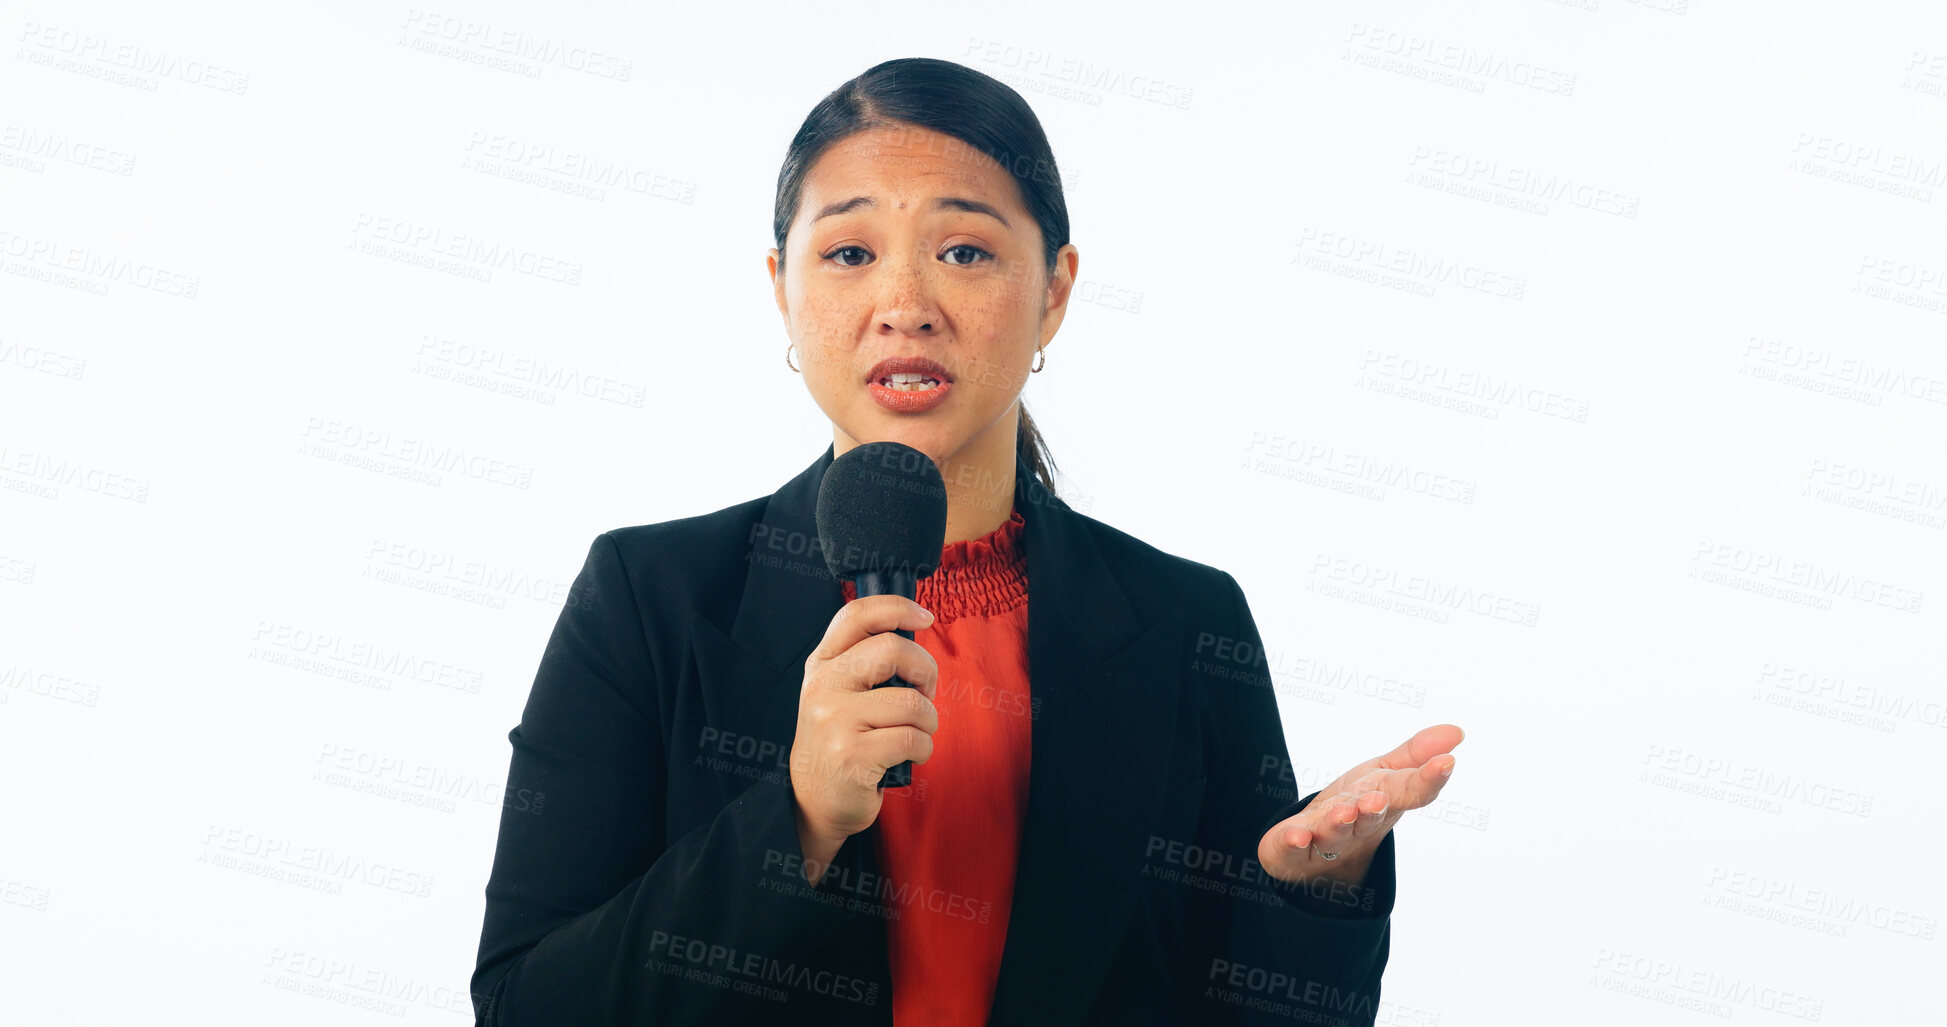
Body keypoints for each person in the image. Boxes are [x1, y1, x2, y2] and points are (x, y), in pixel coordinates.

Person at [470, 57, 1464, 1027]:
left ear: (1055, 291)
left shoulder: (1185, 620)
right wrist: (800, 817)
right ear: (783, 288)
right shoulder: (645, 599)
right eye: (850, 253)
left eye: (965, 252)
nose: (906, 305)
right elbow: (521, 1006)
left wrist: (1314, 891)